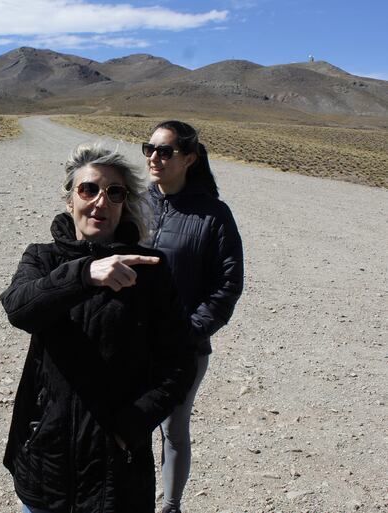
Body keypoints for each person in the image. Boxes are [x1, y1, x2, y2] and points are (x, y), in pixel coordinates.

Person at [0, 143, 197, 512]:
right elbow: (19, 308)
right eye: (88, 189)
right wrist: (84, 275)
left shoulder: (150, 269)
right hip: (45, 459)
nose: (100, 202)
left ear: (124, 204)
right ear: (69, 199)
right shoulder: (42, 258)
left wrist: (133, 425)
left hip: (116, 469)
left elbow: (180, 360)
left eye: (114, 192)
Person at [142, 121, 244, 513]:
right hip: (130, 341)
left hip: (183, 347)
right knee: (127, 427)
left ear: (189, 158)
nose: (154, 157)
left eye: (165, 151)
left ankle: (170, 505)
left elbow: (227, 286)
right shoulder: (135, 203)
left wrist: (187, 333)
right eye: (149, 148)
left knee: (172, 430)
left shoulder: (214, 216)